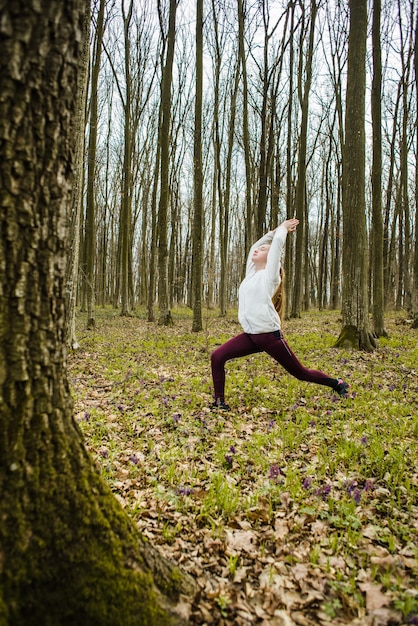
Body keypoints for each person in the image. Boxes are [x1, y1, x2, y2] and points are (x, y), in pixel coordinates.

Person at [210, 218, 350, 410]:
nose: (258, 250)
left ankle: (337, 384)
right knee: (217, 356)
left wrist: (282, 231)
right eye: (260, 249)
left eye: (264, 250)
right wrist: (274, 230)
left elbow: (276, 247)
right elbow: (255, 246)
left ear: (271, 257)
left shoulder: (270, 276)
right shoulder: (251, 274)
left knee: (300, 373)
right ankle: (219, 403)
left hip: (269, 337)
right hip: (251, 335)